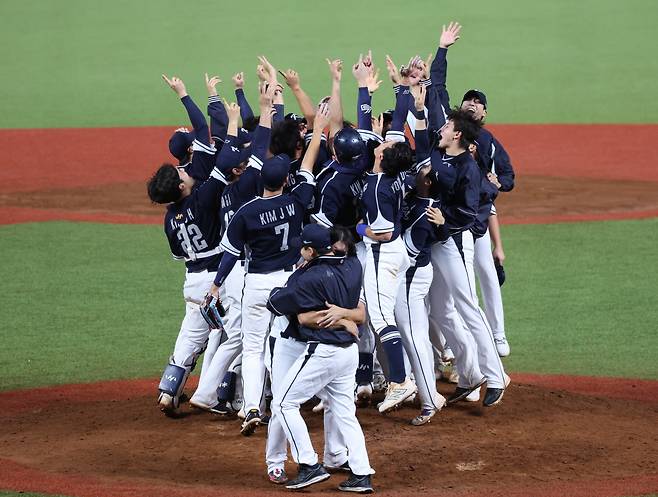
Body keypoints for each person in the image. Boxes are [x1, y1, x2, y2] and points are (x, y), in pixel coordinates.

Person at [207, 101, 321, 436]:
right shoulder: (297, 199)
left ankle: (252, 406)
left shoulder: (247, 211)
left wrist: (216, 284)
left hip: (256, 284)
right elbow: (309, 169)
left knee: (253, 347)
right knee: (290, 341)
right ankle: (289, 398)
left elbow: (229, 255)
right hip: (288, 283)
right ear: (285, 179)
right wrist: (317, 133)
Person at [267, 223, 375, 493]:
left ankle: (309, 464)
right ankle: (361, 474)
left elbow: (285, 308)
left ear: (311, 251)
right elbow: (359, 312)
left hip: (323, 351)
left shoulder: (309, 278)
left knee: (283, 403)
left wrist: (277, 292)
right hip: (349, 353)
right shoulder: (353, 265)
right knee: (345, 413)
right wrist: (344, 317)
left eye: (303, 248)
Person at [148, 75, 227, 415]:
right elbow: (203, 129)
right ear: (179, 187)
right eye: (180, 176)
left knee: (190, 337)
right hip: (218, 280)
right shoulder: (202, 195)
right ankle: (226, 393)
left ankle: (168, 391)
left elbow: (179, 252)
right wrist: (184, 94)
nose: (183, 173)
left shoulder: (170, 218)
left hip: (191, 280)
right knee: (234, 335)